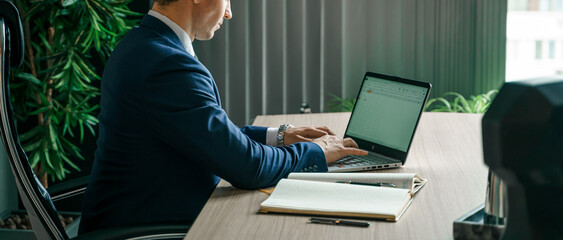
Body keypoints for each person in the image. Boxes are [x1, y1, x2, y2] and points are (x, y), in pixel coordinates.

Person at [78, 0, 367, 234]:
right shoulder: (168, 64)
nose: (229, 13)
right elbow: (248, 167)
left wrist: (278, 136)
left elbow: (201, 131)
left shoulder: (142, 43)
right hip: (146, 229)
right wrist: (317, 151)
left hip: (139, 215)